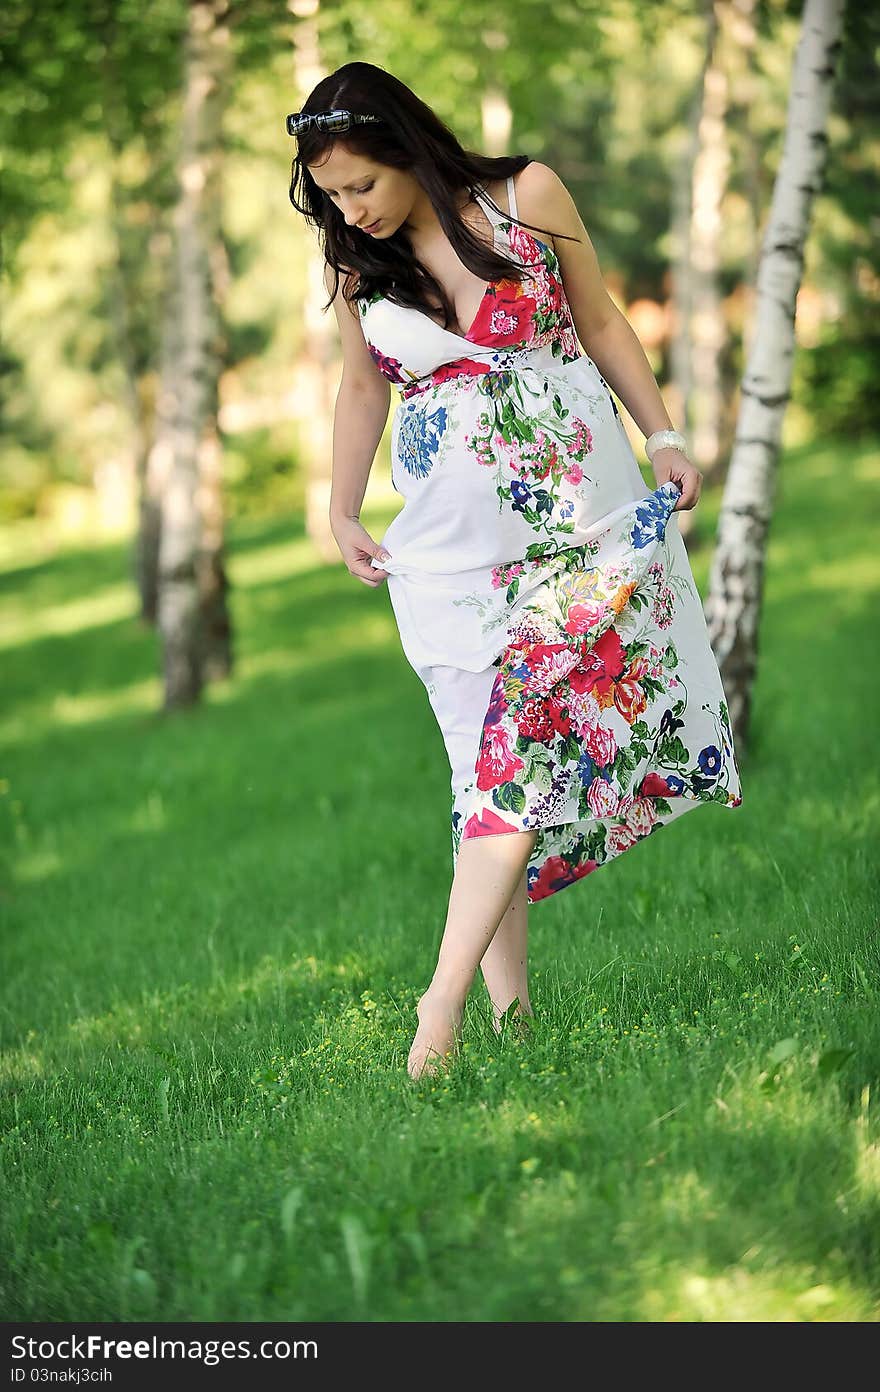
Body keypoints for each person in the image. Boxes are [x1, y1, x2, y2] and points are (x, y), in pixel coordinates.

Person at [287, 62, 743, 1082]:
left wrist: (663, 433)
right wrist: (340, 507)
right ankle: (514, 1028)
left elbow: (601, 320)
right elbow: (361, 388)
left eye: (361, 184)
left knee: (514, 766)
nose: (349, 210)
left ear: (406, 148)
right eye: (333, 197)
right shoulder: (360, 259)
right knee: (480, 785)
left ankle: (435, 1015)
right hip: (443, 556)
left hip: (573, 534)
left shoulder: (523, 196)